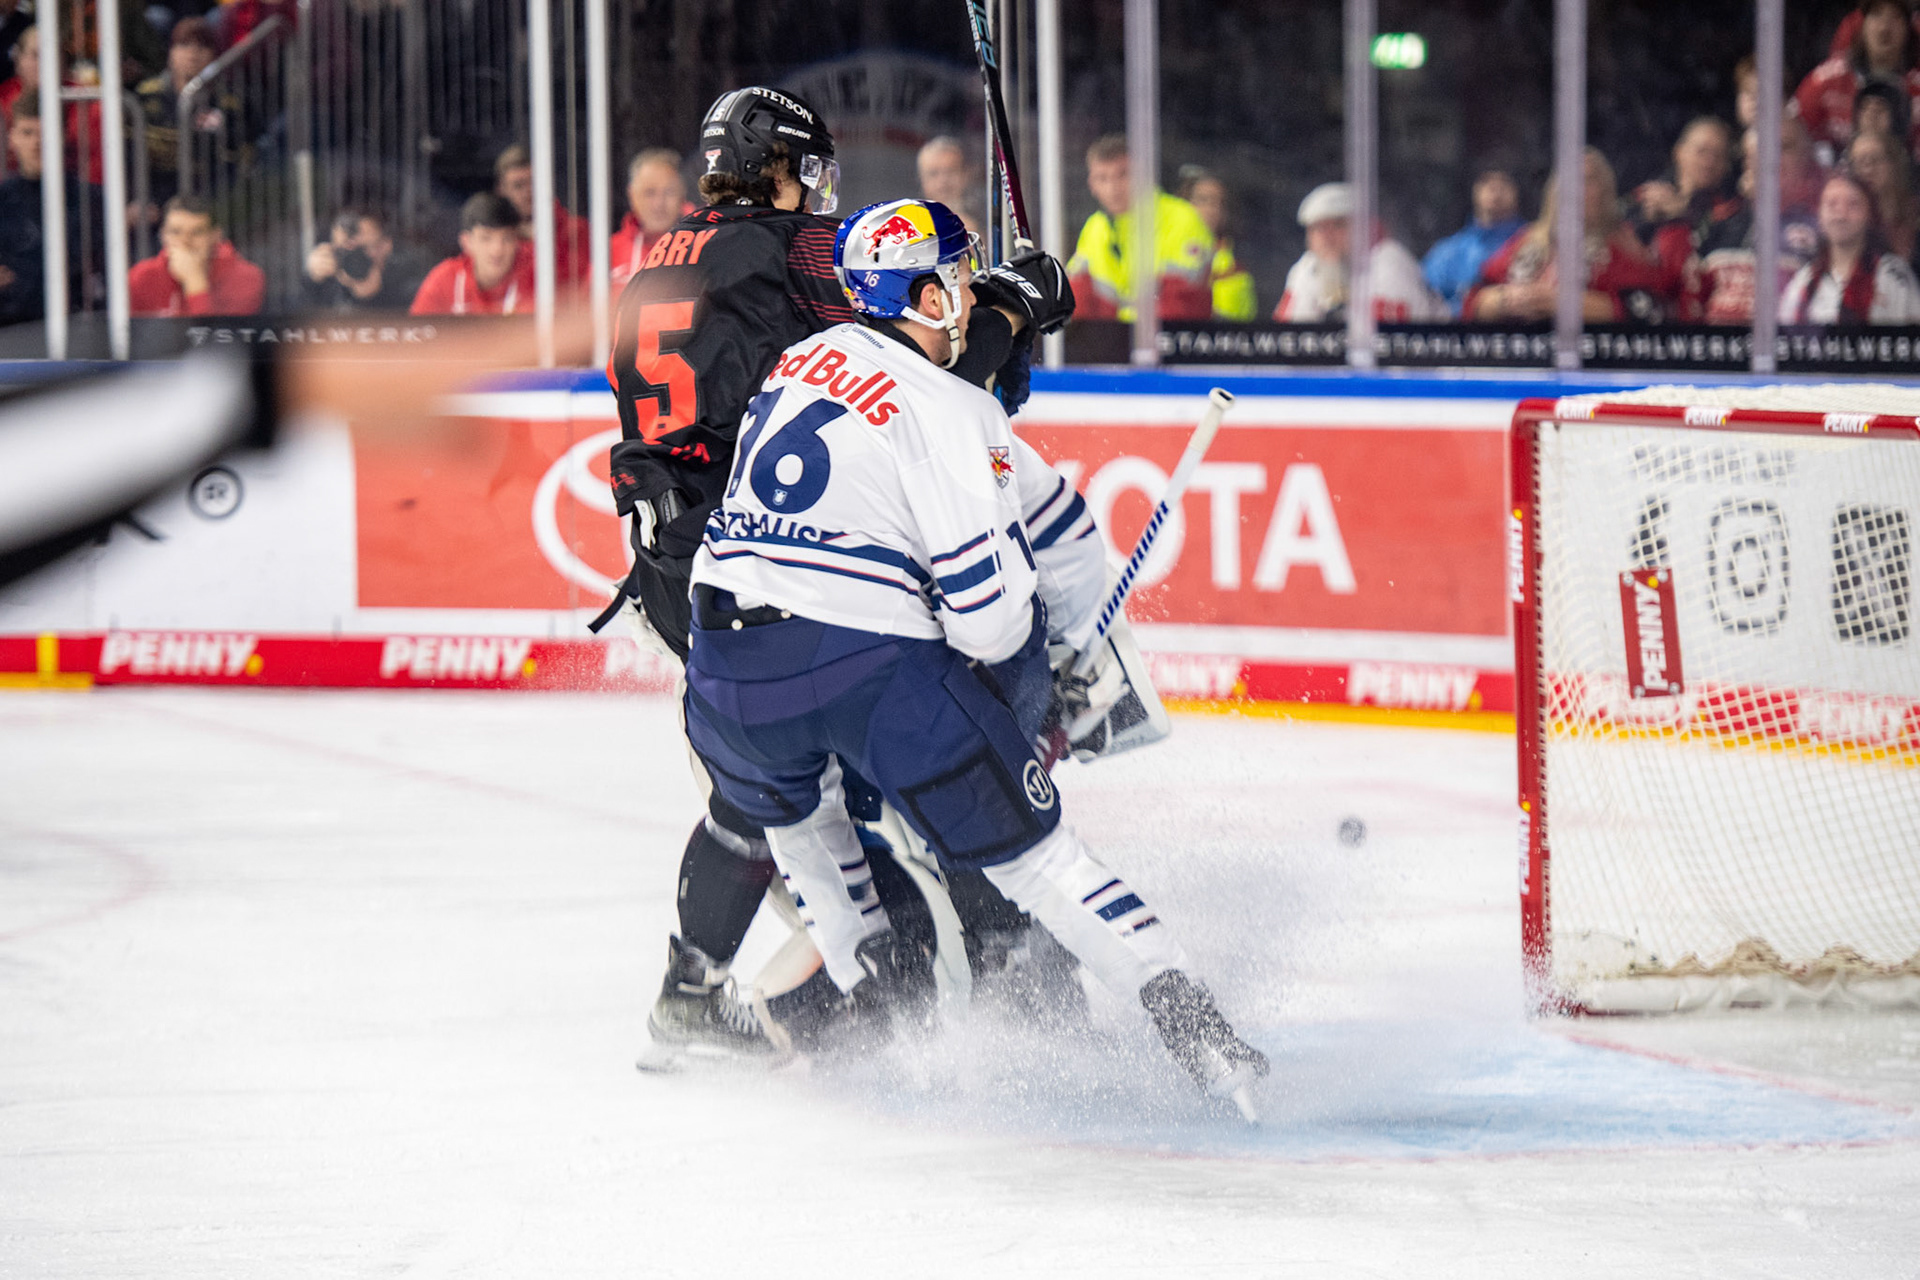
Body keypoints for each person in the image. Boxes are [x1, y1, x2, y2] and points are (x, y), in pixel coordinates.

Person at [676, 195, 1268, 1106]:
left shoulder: (800, 359)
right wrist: (1039, 684)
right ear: (923, 297)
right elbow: (988, 623)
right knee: (1036, 856)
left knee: (807, 831)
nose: (967, 289)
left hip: (720, 677)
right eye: (955, 275)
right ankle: (1200, 1031)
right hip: (864, 672)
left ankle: (897, 1047)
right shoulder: (955, 412)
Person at [606, 87, 1077, 1067]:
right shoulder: (792, 247)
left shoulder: (647, 260)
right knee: (941, 737)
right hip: (785, 561)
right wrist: (1014, 302)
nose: (817, 191)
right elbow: (919, 366)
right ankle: (999, 989)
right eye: (807, 170)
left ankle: (693, 992)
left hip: (678, 567)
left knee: (760, 786)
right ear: (779, 165)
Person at [1465, 148, 1689, 324]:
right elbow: (1475, 299)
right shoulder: (1528, 239)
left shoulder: (1621, 243)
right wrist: (1505, 300)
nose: (1574, 188)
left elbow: (1649, 307)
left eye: (1587, 180)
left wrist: (1564, 304)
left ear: (1604, 191)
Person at [1687, 116, 1826, 325]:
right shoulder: (1718, 221)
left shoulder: (1826, 224)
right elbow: (1691, 297)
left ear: (1807, 157)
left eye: (1783, 148)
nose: (1772, 160)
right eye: (1759, 152)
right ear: (1747, 163)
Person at [1066, 133, 1214, 322]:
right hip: (1111, 344)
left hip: (1169, 344)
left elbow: (1180, 304)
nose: (1113, 187)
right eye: (1102, 178)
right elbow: (1076, 297)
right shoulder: (1095, 227)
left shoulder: (1182, 218)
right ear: (1091, 185)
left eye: (1123, 174)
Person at [1274, 181, 1445, 323]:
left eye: (1338, 225)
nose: (1326, 236)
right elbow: (1287, 339)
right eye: (1318, 229)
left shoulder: (1389, 262)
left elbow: (1387, 346)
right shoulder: (1306, 267)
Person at [0, 97, 96, 325]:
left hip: (79, 326)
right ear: (12, 138)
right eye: (27, 133)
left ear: (62, 137)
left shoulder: (92, 200)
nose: (37, 143)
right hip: (10, 331)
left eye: (46, 132)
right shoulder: (2, 199)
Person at [1779, 169, 1920, 323]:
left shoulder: (1893, 277)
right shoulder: (1804, 282)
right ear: (1819, 216)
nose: (1841, 215)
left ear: (1869, 215)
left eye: (1853, 205)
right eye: (1832, 205)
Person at [1796, 0, 1920, 166]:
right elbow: (1792, 133)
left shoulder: (1917, 89)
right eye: (1876, 15)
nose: (1884, 27)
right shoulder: (1826, 80)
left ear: (1908, 29)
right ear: (1862, 25)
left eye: (1896, 17)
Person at [134, 18, 239, 210]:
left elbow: (233, 163)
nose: (193, 53)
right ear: (170, 53)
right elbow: (131, 156)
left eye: (202, 46)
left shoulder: (228, 103)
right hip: (153, 198)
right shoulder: (146, 97)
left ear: (214, 56)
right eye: (184, 44)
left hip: (209, 200)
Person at [127, 194, 265, 316]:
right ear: (163, 235)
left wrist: (195, 282)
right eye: (175, 232)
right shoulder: (140, 276)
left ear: (215, 236)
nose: (185, 241)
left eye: (197, 232)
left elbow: (218, 341)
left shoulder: (245, 276)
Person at [1421, 163, 1526, 317]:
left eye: (1504, 181)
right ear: (1474, 190)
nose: (1495, 189)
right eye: (1486, 181)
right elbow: (1423, 303)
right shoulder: (1447, 252)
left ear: (1517, 191)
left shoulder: (1534, 242)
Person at [1628, 117, 1744, 256]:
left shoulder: (1731, 211)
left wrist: (1682, 216)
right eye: (1702, 151)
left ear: (1726, 166)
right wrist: (1646, 219)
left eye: (1718, 155)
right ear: (1678, 152)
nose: (1709, 162)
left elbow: (1717, 256)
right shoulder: (1645, 196)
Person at [409, 192, 535, 316]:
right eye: (486, 238)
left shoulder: (535, 276)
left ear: (517, 242)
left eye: (507, 238)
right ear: (466, 242)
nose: (497, 249)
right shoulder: (445, 279)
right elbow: (418, 332)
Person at [494, 143, 591, 286]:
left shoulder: (576, 231)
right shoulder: (493, 240)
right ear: (501, 191)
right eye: (518, 185)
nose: (528, 192)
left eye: (533, 183)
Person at [303, 208, 428, 312]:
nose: (355, 256)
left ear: (385, 245)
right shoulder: (326, 282)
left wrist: (376, 296)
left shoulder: (407, 281)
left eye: (362, 248)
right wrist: (312, 279)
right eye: (345, 249)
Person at [1175, 166, 1257, 320]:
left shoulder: (1235, 266)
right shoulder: (1162, 251)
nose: (1212, 209)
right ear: (1184, 204)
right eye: (1203, 200)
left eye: (1219, 202)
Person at [609, 149, 689, 289]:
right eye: (649, 193)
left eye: (669, 192)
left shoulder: (699, 248)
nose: (659, 204)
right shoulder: (610, 252)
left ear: (683, 194)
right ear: (632, 195)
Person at [1844, 127, 1920, 259]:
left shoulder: (1916, 210)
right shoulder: (1849, 218)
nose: (1867, 169)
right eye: (1860, 162)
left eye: (1876, 159)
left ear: (1895, 163)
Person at [916, 135, 981, 236]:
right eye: (933, 173)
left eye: (950, 171)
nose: (942, 181)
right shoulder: (912, 227)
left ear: (966, 175)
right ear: (922, 180)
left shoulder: (986, 217)